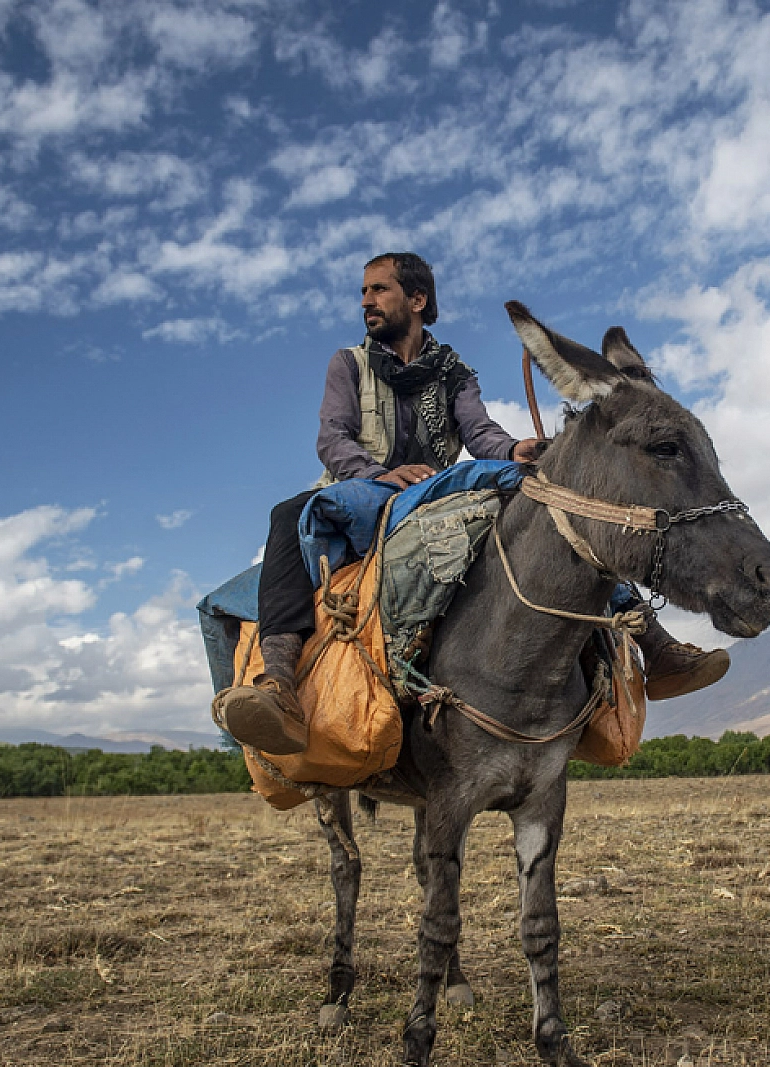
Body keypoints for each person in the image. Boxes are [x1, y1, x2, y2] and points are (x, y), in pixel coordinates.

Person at [216, 252, 728, 756]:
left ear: (417, 300)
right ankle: (278, 686)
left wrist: (512, 450)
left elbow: (480, 431)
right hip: (362, 491)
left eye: (379, 290)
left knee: (556, 508)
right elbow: (333, 438)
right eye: (364, 293)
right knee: (288, 514)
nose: (367, 302)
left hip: (442, 491)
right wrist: (380, 475)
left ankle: (653, 647)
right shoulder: (348, 364)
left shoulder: (453, 371)